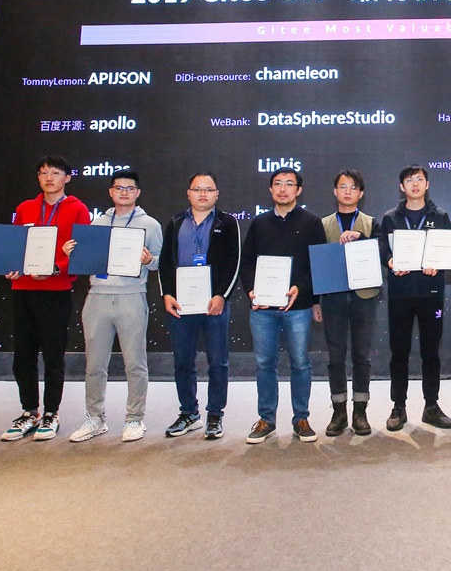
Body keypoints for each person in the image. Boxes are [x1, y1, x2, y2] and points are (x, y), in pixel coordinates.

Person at [69, 170, 164, 443]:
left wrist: (149, 260)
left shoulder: (150, 225)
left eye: (129, 188)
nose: (124, 192)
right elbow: (85, 260)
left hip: (131, 297)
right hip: (97, 297)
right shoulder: (97, 223)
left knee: (135, 363)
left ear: (138, 193)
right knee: (94, 364)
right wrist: (72, 253)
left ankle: (134, 419)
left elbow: (160, 262)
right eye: (119, 188)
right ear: (111, 192)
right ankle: (95, 418)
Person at [0, 155, 90, 442]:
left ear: (67, 177)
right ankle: (29, 412)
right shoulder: (24, 208)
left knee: (53, 355)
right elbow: (14, 247)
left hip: (56, 291)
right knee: (23, 355)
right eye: (43, 172)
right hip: (23, 289)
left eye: (55, 172)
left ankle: (51, 413)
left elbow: (82, 252)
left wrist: (55, 268)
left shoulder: (78, 209)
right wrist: (11, 266)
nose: (49, 178)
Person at [240, 167, 328, 444]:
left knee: (300, 363)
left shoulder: (312, 223)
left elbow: (317, 264)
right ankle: (266, 419)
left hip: (298, 307)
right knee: (264, 364)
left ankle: (301, 418)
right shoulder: (259, 223)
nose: (283, 188)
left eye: (289, 184)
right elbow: (247, 262)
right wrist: (251, 290)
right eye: (277, 183)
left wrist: (300, 288)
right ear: (270, 189)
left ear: (298, 190)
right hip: (263, 308)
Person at [159, 173, 241, 441]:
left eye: (208, 189)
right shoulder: (175, 222)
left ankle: (215, 414)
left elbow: (234, 261)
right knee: (183, 361)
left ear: (217, 194)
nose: (202, 194)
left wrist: (221, 296)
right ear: (188, 193)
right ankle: (189, 413)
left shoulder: (227, 223)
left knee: (218, 362)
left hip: (213, 304)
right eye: (197, 189)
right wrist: (167, 294)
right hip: (181, 304)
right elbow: (165, 262)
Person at [377, 165, 451, 431]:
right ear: (402, 187)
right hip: (400, 294)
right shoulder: (390, 218)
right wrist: (390, 261)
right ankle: (398, 407)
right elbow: (383, 250)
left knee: (431, 352)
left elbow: (449, 250)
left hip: (431, 294)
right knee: (399, 352)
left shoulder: (440, 216)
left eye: (419, 179)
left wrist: (439, 263)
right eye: (409, 180)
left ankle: (431, 406)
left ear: (427, 184)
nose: (414, 184)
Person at [318, 170, 379, 436]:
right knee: (335, 356)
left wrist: (360, 238)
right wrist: (315, 302)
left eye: (353, 187)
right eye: (342, 186)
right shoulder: (322, 224)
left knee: (361, 356)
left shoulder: (371, 222)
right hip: (332, 298)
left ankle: (360, 411)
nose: (347, 191)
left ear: (360, 193)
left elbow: (382, 253)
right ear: (335, 191)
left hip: (363, 296)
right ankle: (339, 411)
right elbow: (315, 265)